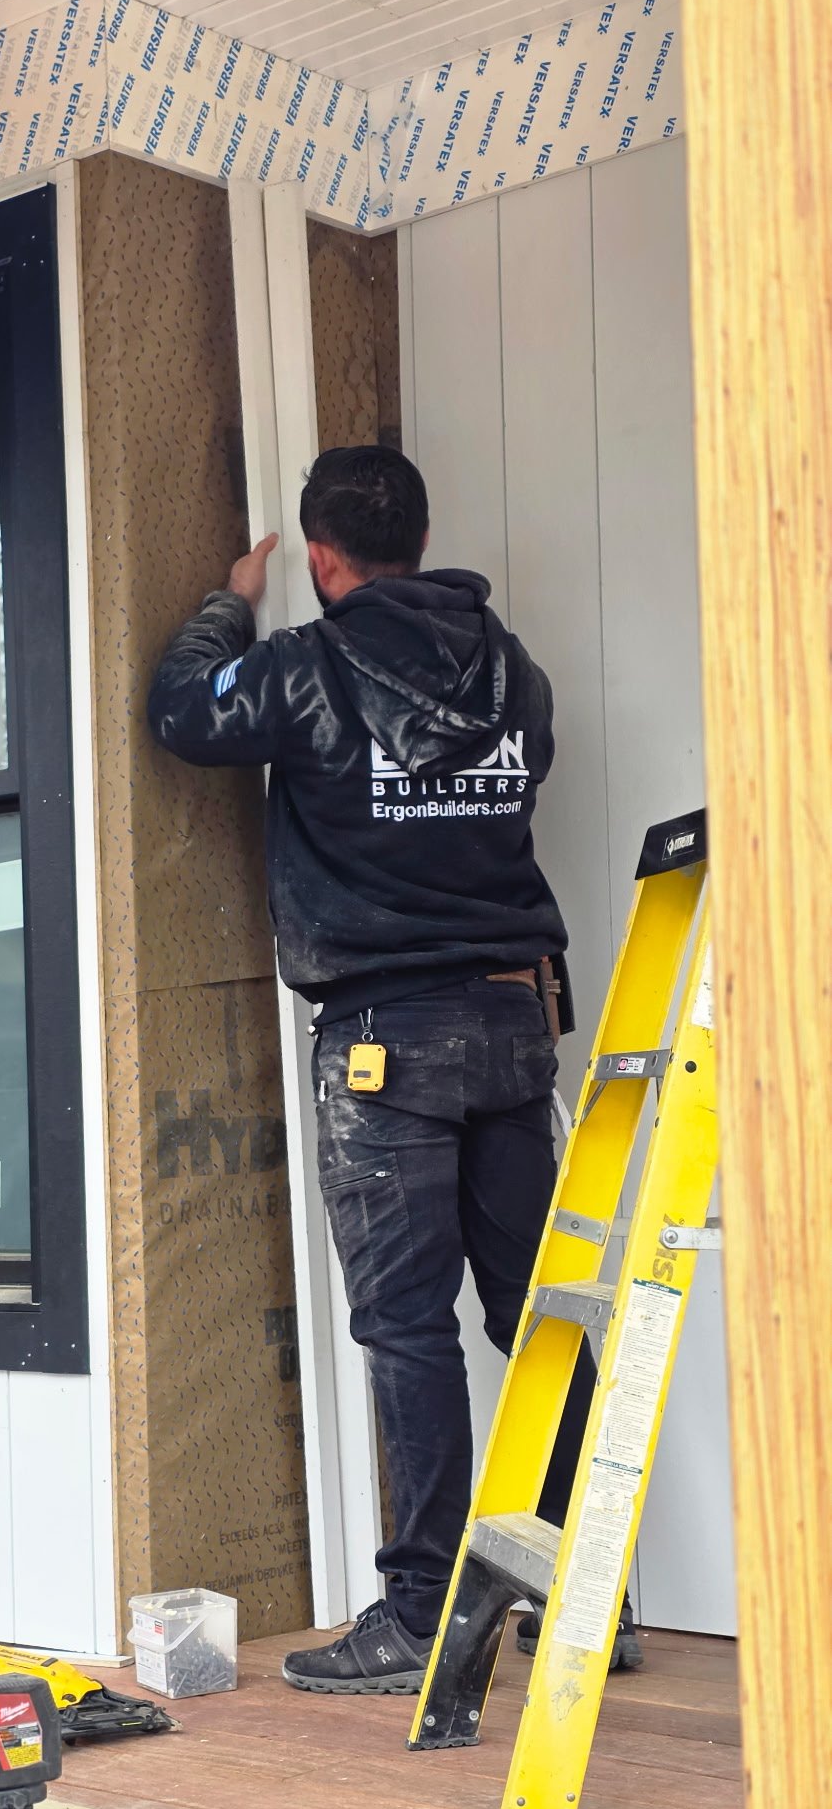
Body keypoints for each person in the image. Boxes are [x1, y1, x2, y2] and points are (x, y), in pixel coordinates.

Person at [148, 445, 641, 1694]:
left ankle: (421, 1612)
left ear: (322, 557)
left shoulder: (303, 667)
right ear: (418, 537)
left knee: (408, 1329)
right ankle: (595, 1597)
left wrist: (225, 605)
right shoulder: (509, 668)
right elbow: (518, 774)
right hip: (511, 1020)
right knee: (531, 1316)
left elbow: (182, 711)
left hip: (386, 1043)